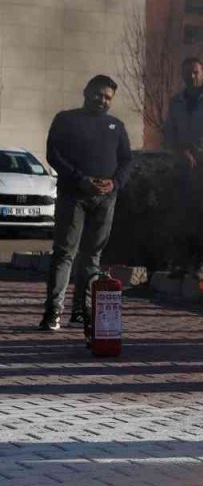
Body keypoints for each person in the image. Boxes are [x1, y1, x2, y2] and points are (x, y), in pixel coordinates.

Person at [41, 75, 134, 331]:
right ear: (86, 91)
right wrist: (80, 180)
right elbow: (54, 154)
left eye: (107, 98)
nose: (102, 100)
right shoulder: (66, 120)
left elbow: (127, 160)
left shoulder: (116, 126)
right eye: (98, 94)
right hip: (74, 196)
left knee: (92, 257)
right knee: (64, 253)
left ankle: (81, 311)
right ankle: (53, 312)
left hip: (105, 200)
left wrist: (115, 183)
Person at [162, 57, 203, 279]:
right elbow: (169, 129)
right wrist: (181, 152)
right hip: (183, 163)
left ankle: (202, 264)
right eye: (187, 73)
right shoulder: (177, 101)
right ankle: (182, 263)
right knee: (182, 213)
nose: (191, 76)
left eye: (195, 72)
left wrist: (195, 152)